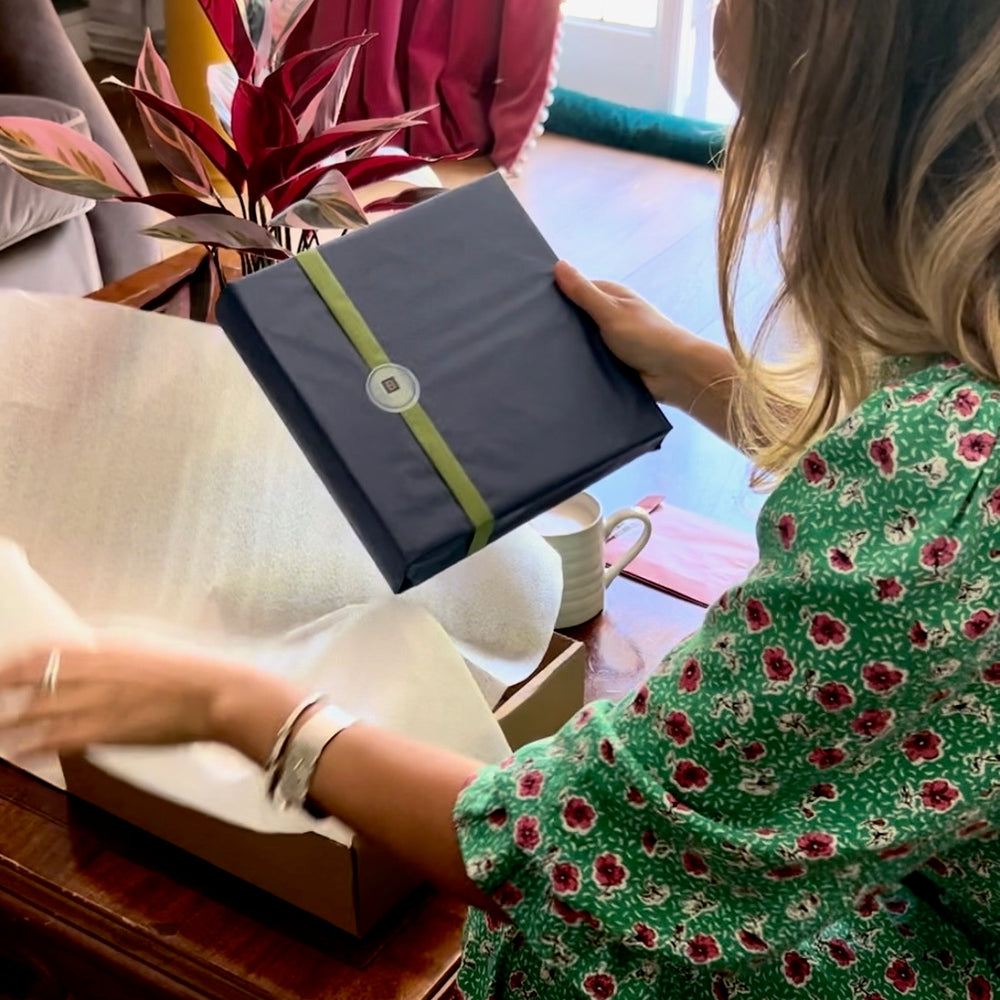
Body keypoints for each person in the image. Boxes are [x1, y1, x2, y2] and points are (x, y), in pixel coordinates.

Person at [3, 0, 1000, 995]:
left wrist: (236, 706)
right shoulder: (951, 418)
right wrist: (684, 367)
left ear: (838, 87)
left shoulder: (925, 498)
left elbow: (592, 848)